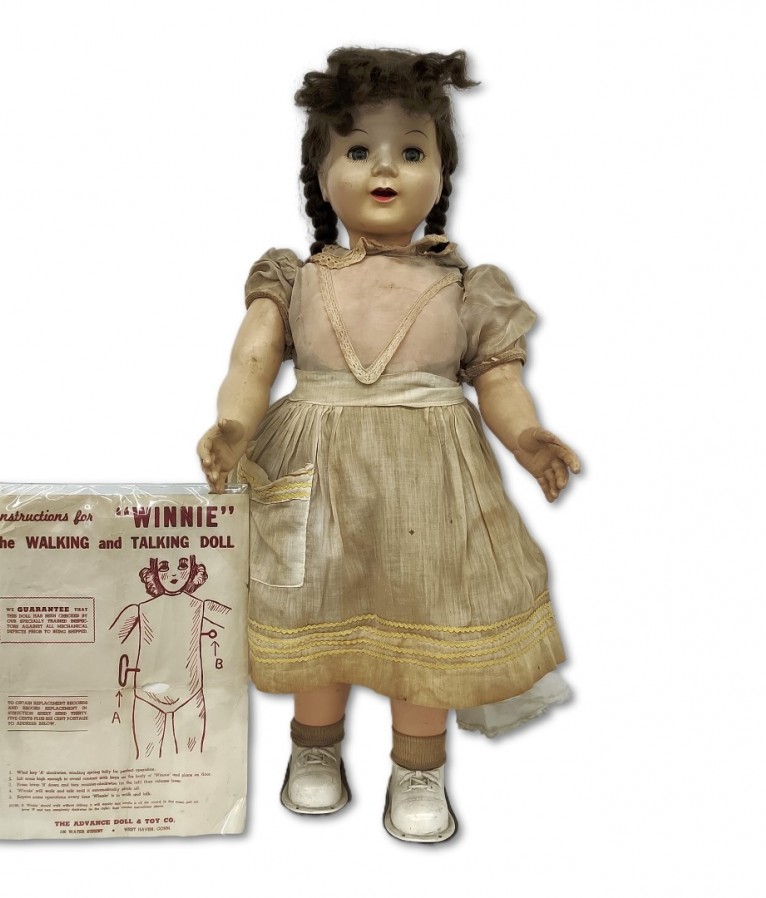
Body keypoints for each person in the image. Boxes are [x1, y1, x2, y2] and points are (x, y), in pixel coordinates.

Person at [198, 48, 580, 843]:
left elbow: (499, 379)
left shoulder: (467, 288)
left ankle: (418, 766)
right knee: (316, 605)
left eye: (411, 151)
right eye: (358, 150)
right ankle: (315, 748)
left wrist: (528, 435)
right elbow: (250, 363)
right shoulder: (295, 279)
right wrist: (233, 425)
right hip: (313, 474)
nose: (385, 168)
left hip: (430, 483)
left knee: (427, 612)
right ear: (320, 173)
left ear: (442, 175)